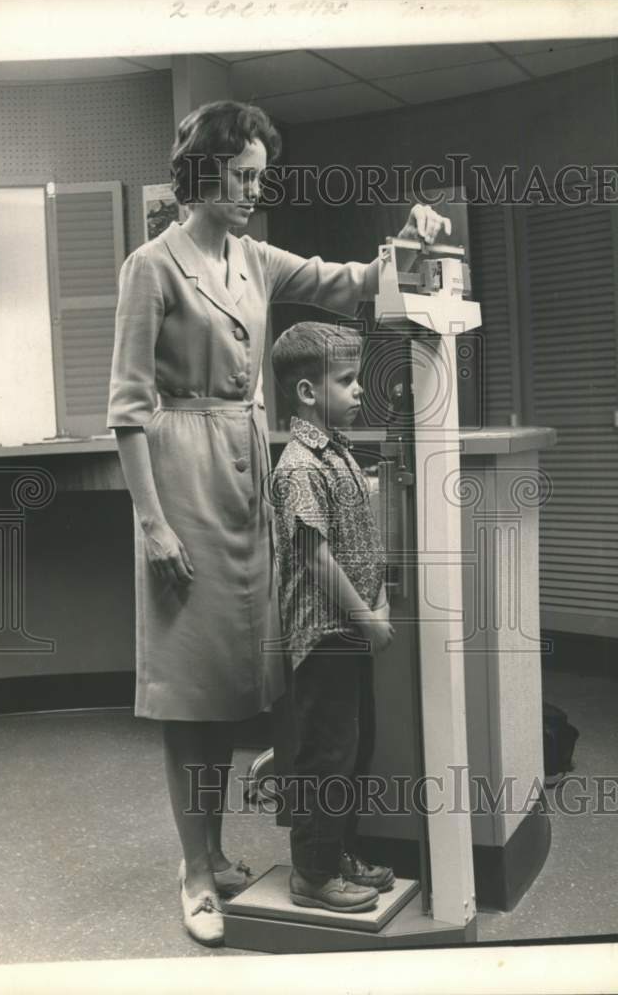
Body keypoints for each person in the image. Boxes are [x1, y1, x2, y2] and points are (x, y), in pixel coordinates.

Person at [106, 98, 446, 946]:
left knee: (233, 679)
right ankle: (196, 868)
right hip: (181, 480)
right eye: (245, 176)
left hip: (246, 471)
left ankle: (217, 853)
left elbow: (344, 279)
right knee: (192, 694)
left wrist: (411, 239)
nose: (257, 191)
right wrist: (153, 525)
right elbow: (126, 410)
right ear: (203, 174)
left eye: (262, 176)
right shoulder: (149, 266)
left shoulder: (253, 258)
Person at [270, 321, 395, 913]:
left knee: (353, 748)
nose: (358, 391)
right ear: (307, 393)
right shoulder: (299, 465)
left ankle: (338, 854)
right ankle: (313, 874)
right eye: (346, 381)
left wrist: (378, 603)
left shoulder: (337, 452)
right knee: (325, 756)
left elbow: (358, 541)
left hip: (350, 628)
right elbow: (313, 558)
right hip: (324, 637)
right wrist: (366, 619)